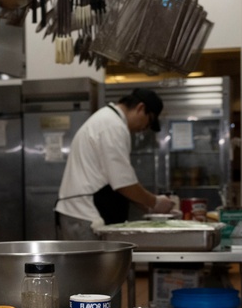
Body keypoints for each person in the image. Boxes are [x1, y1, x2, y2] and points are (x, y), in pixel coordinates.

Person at [55, 87, 175, 239]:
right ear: (140, 108)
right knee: (90, 263)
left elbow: (117, 182)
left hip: (81, 214)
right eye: (148, 121)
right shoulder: (113, 126)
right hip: (85, 215)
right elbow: (123, 184)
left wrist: (149, 207)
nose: (144, 129)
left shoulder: (108, 120)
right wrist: (155, 202)